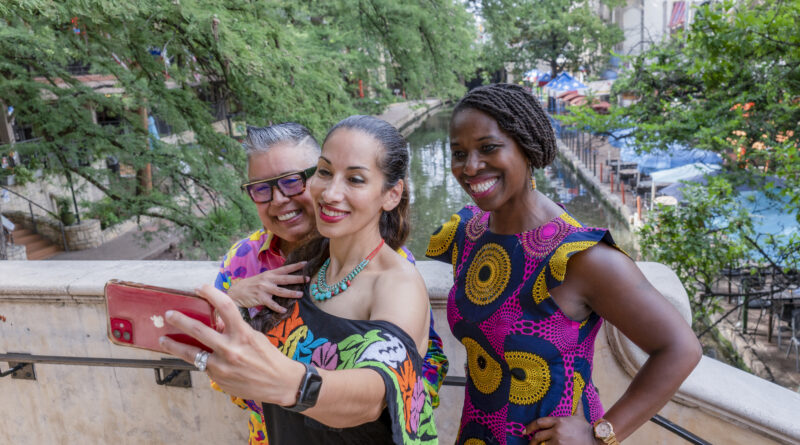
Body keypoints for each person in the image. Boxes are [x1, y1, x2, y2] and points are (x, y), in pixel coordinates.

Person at [426, 83, 702, 445]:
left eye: (488, 148)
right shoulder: (467, 232)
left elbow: (681, 348)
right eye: (459, 153)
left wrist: (601, 432)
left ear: (527, 148)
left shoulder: (579, 256)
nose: (471, 166)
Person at [161, 115, 438, 444]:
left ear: (391, 195)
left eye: (356, 179)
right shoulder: (305, 267)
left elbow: (380, 391)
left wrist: (290, 383)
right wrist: (232, 303)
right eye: (325, 172)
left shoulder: (396, 280)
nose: (331, 192)